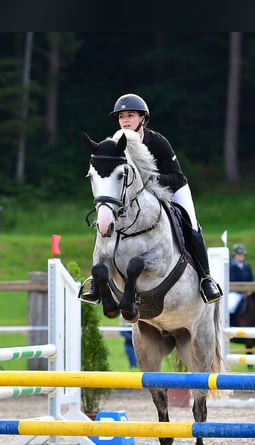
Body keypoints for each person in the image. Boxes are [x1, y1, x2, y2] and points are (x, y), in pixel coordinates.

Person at [81, 93, 224, 305]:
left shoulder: (157, 142)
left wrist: (147, 180)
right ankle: (96, 279)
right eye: (121, 117)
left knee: (191, 224)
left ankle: (205, 278)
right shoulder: (113, 145)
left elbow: (177, 177)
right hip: (131, 200)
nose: (125, 121)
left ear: (143, 119)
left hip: (170, 190)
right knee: (105, 218)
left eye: (130, 115)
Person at [228, 243, 254, 324]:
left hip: (248, 293)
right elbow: (233, 280)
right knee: (231, 307)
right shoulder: (231, 267)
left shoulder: (247, 266)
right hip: (236, 292)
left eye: (242, 254)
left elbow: (251, 279)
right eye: (238, 254)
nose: (240, 256)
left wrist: (250, 290)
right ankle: (230, 323)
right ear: (234, 255)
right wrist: (244, 291)